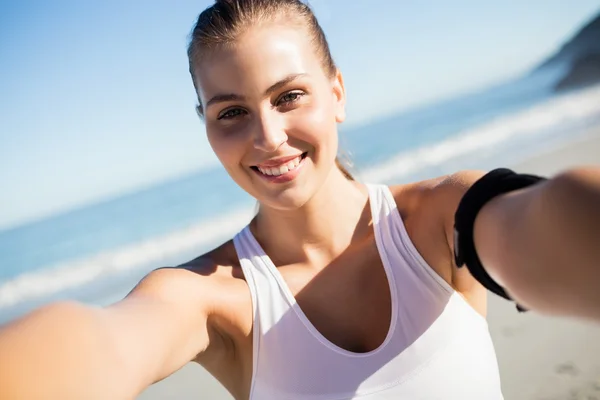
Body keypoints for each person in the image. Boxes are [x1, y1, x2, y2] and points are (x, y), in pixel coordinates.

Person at [1, 0, 600, 399]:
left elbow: (546, 220)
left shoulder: (439, 220)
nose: (267, 136)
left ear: (336, 93)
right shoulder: (214, 300)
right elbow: (102, 342)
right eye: (232, 112)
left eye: (288, 96)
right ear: (206, 128)